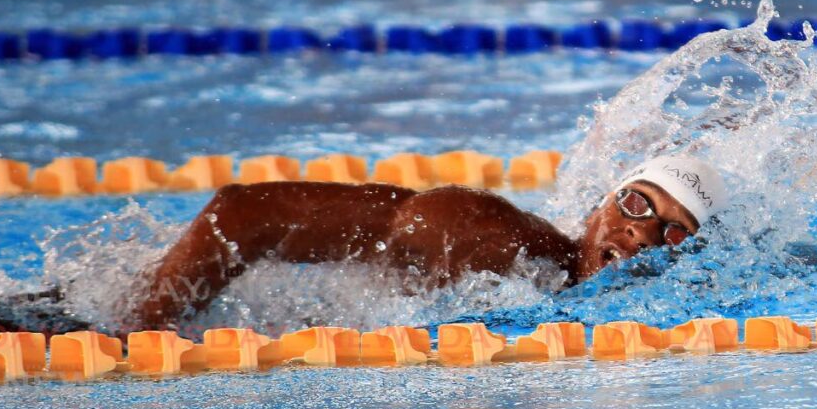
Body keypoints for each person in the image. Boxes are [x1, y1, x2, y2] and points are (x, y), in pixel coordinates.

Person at [129, 155, 728, 328]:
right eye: (635, 202)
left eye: (673, 230)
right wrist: (144, 331)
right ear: (602, 203)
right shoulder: (483, 236)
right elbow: (240, 214)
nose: (641, 231)